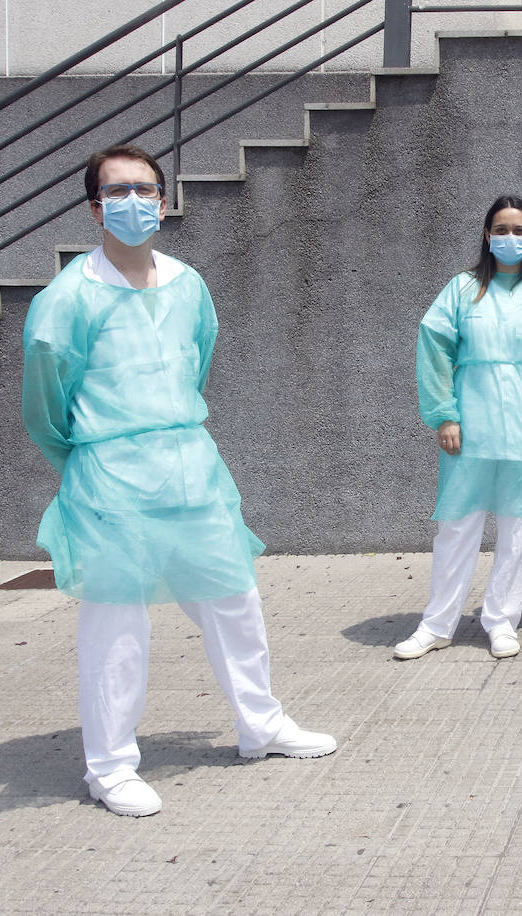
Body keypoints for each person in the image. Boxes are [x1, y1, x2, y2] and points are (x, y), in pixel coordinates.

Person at [21, 144, 336, 818]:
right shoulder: (66, 300)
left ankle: (261, 725)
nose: (134, 201)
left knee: (234, 598)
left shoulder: (188, 284)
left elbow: (196, 367)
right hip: (110, 476)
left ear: (162, 200)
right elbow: (45, 407)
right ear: (94, 206)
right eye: (118, 191)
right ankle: (109, 766)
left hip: (190, 467)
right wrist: (88, 461)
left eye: (145, 188)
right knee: (116, 623)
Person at [394, 196, 522, 661]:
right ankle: (438, 623)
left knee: (518, 529)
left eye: (520, 230)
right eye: (502, 229)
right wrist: (445, 413)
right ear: (486, 235)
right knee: (457, 527)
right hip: (471, 426)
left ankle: (501, 620)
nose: (511, 239)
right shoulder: (461, 290)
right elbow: (435, 346)